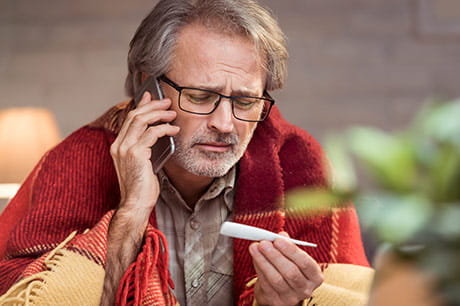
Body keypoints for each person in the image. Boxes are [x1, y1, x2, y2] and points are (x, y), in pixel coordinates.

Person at [0, 0, 373, 305]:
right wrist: (130, 214)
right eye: (200, 96)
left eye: (245, 101)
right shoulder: (77, 163)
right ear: (150, 89)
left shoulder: (300, 163)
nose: (226, 123)